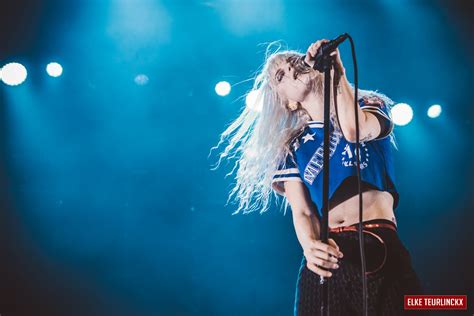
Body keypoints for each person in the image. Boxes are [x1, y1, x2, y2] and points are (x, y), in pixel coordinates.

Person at [211, 39, 425, 315]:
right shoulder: (293, 145)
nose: (291, 70)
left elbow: (354, 130)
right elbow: (301, 211)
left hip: (378, 239)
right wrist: (309, 246)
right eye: (281, 75)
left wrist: (338, 75)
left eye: (294, 63)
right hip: (329, 253)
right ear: (287, 102)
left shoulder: (370, 104)